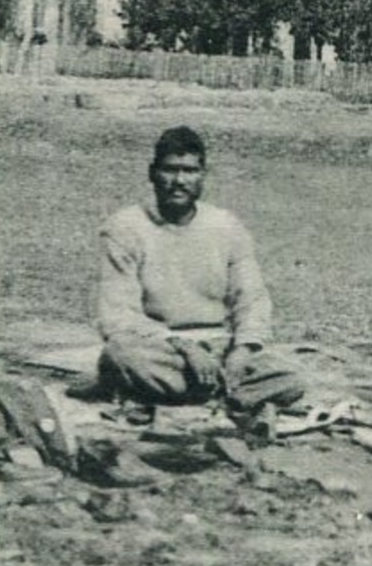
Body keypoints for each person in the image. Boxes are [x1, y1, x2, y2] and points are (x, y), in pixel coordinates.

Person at [96, 126, 302, 416]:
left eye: (189, 171)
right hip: (161, 348)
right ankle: (229, 397)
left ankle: (191, 393)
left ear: (203, 175)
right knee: (119, 357)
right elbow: (117, 317)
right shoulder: (124, 228)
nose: (179, 181)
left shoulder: (226, 226)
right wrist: (186, 349)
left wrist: (240, 353)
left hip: (218, 347)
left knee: (291, 375)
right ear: (152, 173)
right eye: (170, 170)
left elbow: (252, 300)